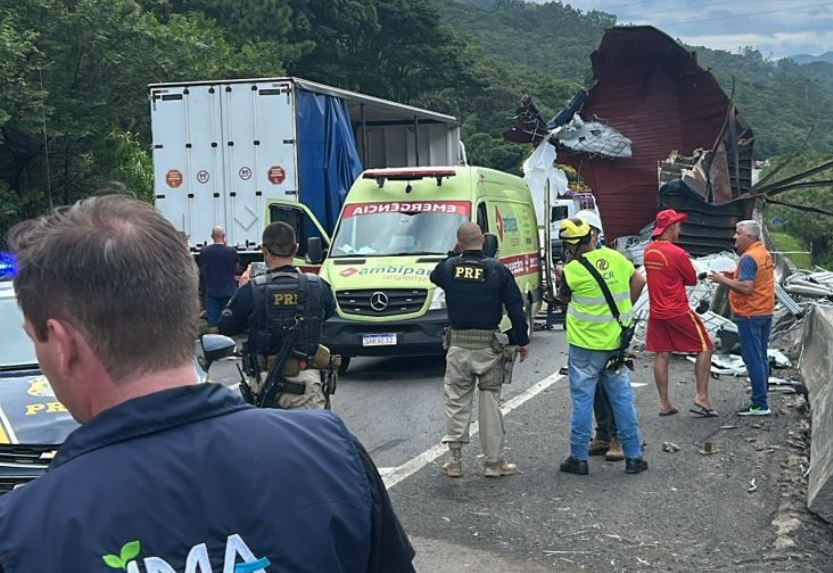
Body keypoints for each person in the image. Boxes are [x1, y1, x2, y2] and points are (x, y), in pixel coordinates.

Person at [0, 194, 415, 572]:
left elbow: (234, 320)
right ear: (185, 305)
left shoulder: (23, 534)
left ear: (61, 343)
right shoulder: (332, 452)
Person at [430, 222, 530, 478]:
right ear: (484, 240)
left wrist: (454, 255)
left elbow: (434, 275)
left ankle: (454, 460)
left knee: (456, 401)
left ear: (459, 242)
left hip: (458, 346)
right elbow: (515, 306)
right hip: (489, 347)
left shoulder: (449, 268)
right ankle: (494, 462)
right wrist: (521, 340)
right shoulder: (497, 269)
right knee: (490, 403)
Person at [556, 217, 648, 476]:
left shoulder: (571, 271)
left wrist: (560, 275)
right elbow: (639, 282)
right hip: (616, 343)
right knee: (622, 399)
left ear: (572, 245)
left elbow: (562, 299)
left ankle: (578, 457)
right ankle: (633, 456)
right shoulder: (616, 258)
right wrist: (622, 313)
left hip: (585, 347)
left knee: (583, 401)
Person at [218, 221, 338, 410]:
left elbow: (226, 327)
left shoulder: (252, 290)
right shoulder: (318, 287)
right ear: (296, 248)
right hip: (307, 383)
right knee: (311, 438)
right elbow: (328, 313)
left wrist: (242, 291)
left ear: (263, 249)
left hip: (264, 383)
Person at [643, 210, 717, 417]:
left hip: (656, 311)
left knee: (662, 352)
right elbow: (692, 279)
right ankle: (701, 395)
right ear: (670, 228)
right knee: (705, 345)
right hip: (677, 309)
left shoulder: (649, 252)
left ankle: (664, 403)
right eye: (678, 226)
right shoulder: (677, 253)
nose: (680, 229)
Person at [708, 219, 776, 416]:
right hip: (764, 311)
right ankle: (761, 394)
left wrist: (722, 280)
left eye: (738, 233)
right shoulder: (762, 253)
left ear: (748, 236)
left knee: (752, 358)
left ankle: (759, 404)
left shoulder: (748, 258)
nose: (734, 237)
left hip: (749, 314)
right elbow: (755, 277)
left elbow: (747, 287)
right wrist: (733, 274)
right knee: (761, 356)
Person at [574, 209, 622, 462]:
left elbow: (636, 282)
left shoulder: (611, 259)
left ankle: (617, 438)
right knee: (594, 391)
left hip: (609, 337)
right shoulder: (577, 264)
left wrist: (620, 317)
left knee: (612, 389)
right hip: (587, 338)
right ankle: (603, 435)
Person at [199, 225, 238, 333]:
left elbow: (202, 270)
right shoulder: (232, 252)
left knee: (213, 321)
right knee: (227, 319)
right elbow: (235, 269)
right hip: (229, 290)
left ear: (212, 236)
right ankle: (228, 345)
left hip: (212, 291)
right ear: (224, 236)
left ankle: (215, 345)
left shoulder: (205, 252)